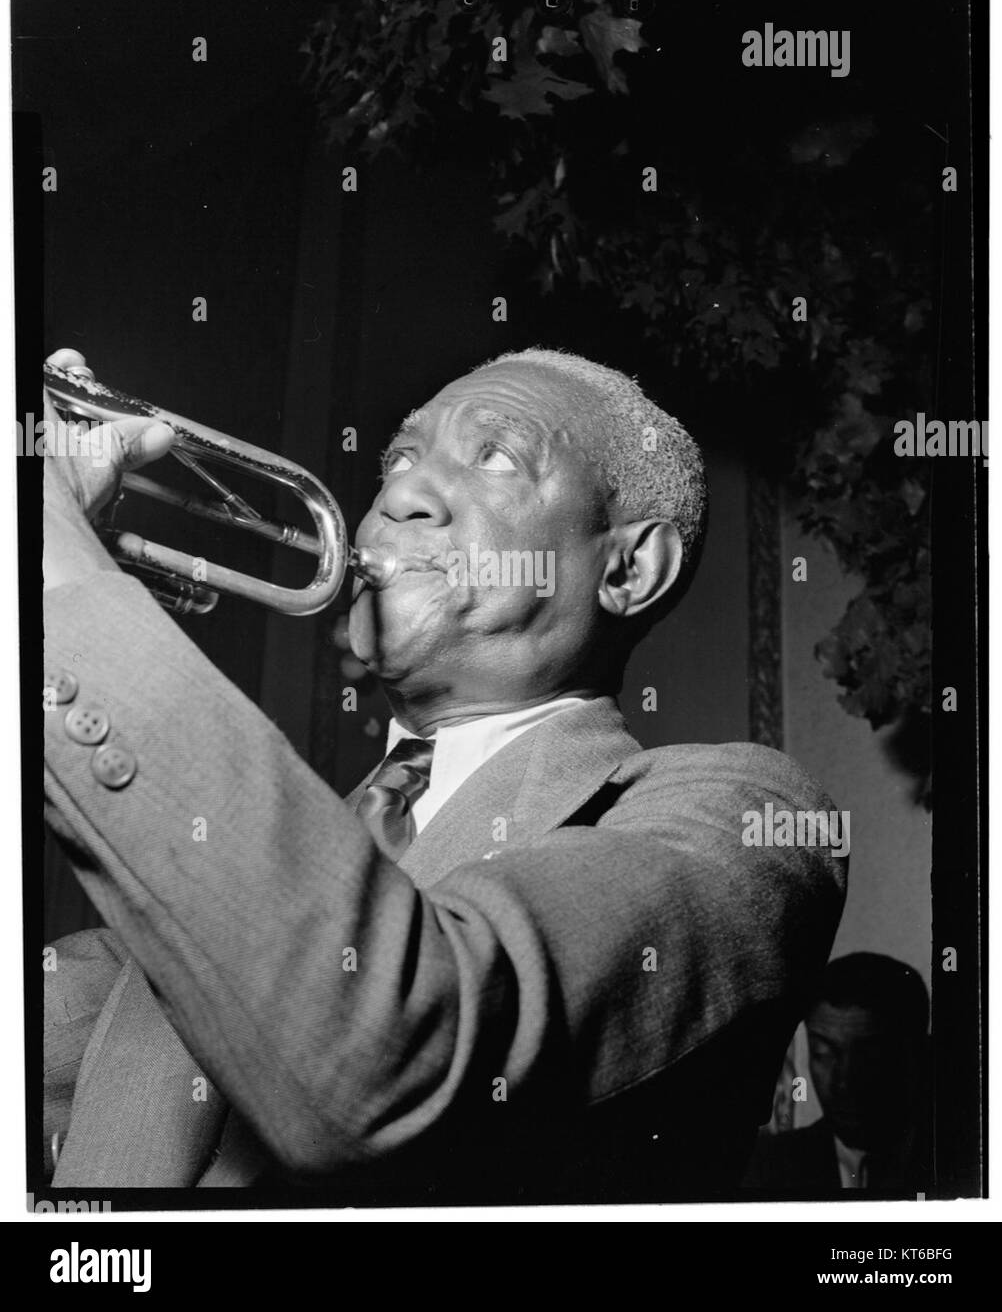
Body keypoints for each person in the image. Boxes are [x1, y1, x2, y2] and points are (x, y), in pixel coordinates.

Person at [42, 345, 847, 1201]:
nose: (395, 497)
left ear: (627, 567)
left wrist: (61, 573)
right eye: (399, 460)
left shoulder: (744, 821)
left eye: (494, 455)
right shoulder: (204, 874)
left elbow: (387, 1036)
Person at [743, 952, 931, 1197]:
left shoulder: (965, 1159)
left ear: (916, 1053)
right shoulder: (763, 1167)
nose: (843, 1082)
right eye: (822, 1053)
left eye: (870, 1057)